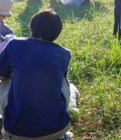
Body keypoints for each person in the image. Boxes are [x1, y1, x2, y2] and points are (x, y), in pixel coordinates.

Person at [0, 9, 71, 139]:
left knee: (7, 79)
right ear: (57, 33)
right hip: (56, 130)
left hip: (16, 131)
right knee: (64, 81)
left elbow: (1, 76)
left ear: (31, 27)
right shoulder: (64, 53)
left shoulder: (14, 44)